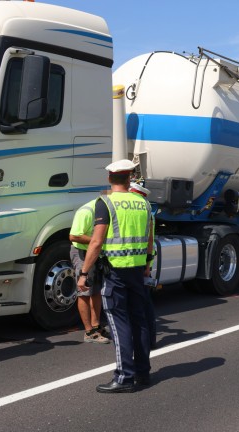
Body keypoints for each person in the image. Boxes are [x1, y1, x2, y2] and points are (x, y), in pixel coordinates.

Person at [78, 159, 154, 393]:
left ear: (110, 178)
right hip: (137, 269)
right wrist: (148, 263)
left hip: (115, 270)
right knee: (139, 320)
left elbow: (97, 241)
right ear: (129, 178)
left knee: (119, 322)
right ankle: (142, 373)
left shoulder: (106, 203)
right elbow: (150, 238)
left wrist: (83, 273)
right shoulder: (144, 203)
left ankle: (124, 377)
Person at [69, 199, 110, 344]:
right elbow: (74, 236)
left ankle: (96, 326)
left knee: (96, 291)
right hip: (82, 252)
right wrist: (97, 240)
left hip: (96, 252)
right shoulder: (86, 212)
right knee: (85, 292)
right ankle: (89, 332)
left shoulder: (104, 209)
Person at [129, 182, 158, 350]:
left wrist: (146, 265)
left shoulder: (142, 211)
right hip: (144, 262)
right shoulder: (147, 210)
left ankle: (146, 341)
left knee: (143, 306)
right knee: (145, 304)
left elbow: (148, 239)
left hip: (140, 264)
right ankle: (149, 340)